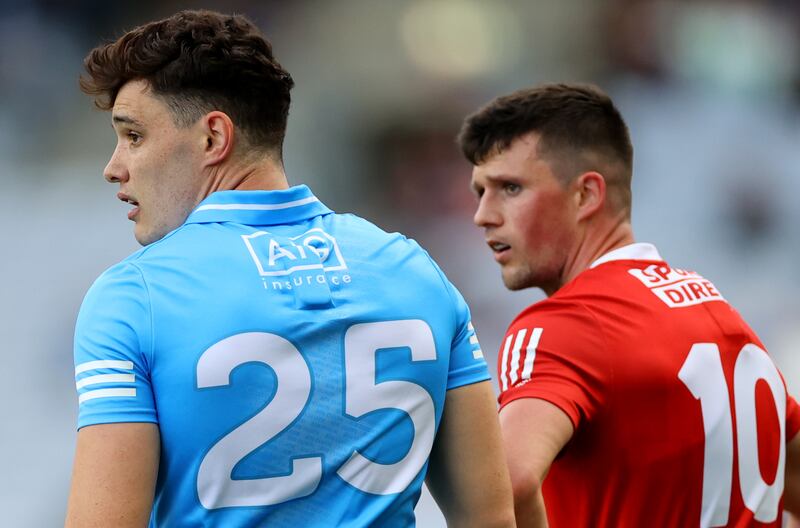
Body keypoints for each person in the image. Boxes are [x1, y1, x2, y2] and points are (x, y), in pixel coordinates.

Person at [65, 10, 515, 528]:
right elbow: (493, 519)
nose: (114, 166)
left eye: (134, 136)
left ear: (214, 138)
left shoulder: (132, 296)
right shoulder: (416, 272)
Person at [458, 83, 800, 527]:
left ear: (586, 196)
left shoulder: (564, 324)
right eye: (479, 191)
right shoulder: (714, 310)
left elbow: (510, 483)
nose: (483, 214)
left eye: (510, 188)